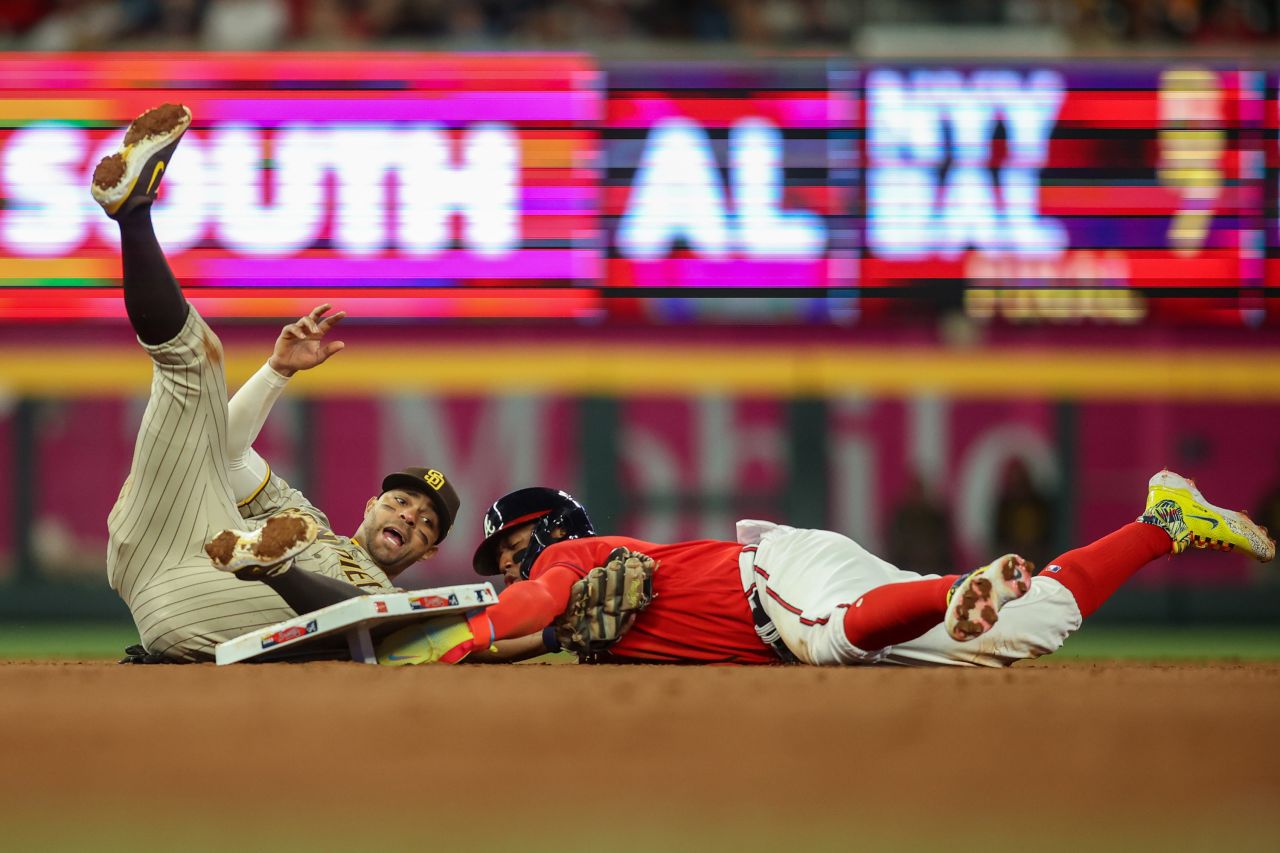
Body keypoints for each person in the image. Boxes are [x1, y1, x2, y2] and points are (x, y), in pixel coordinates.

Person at [94, 103, 461, 662]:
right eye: (401, 501)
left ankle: (133, 212)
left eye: (426, 523)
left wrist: (277, 566)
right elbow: (227, 450)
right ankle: (132, 211)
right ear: (371, 505)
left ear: (427, 553)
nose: (409, 516)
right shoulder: (301, 517)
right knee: (196, 362)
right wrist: (277, 371)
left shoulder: (387, 599)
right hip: (166, 533)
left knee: (368, 615)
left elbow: (358, 626)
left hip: (194, 609)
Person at [379, 472, 1275, 666]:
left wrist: (440, 648)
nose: (505, 570)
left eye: (506, 551)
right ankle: (1166, 519)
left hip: (778, 578)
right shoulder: (567, 621)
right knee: (1032, 629)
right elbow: (522, 631)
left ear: (545, 534)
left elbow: (529, 601)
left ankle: (954, 593)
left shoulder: (570, 561)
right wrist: (392, 641)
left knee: (826, 640)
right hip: (807, 582)